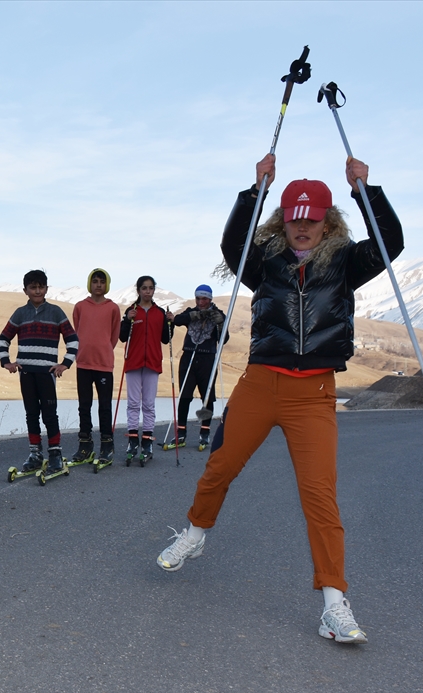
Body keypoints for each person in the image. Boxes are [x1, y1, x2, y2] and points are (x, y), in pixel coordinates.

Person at [157, 154, 404, 645]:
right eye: (295, 218)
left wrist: (366, 191)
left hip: (313, 392)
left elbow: (389, 242)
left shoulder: (346, 262)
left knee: (320, 496)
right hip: (261, 383)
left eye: (312, 219)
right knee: (221, 465)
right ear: (283, 219)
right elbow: (231, 244)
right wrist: (255, 192)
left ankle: (334, 605)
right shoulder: (265, 263)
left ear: (328, 220)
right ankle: (195, 533)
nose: (303, 227)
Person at [0, 269, 79, 479]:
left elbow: (73, 340)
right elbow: (2, 339)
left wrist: (64, 364)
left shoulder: (56, 312)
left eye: (40, 287)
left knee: (50, 414)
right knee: (31, 413)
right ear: (25, 290)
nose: (37, 290)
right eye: (32, 287)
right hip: (26, 373)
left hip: (47, 374)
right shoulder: (20, 313)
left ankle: (55, 454)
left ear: (46, 288)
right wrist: (6, 362)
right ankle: (35, 453)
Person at [166, 284, 228, 451]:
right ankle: (181, 433)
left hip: (207, 358)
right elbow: (177, 320)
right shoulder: (190, 311)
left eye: (204, 299)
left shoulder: (218, 314)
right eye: (198, 298)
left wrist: (220, 323)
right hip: (189, 357)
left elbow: (225, 338)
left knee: (207, 398)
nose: (201, 302)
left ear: (210, 299)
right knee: (185, 396)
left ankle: (204, 433)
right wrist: (195, 315)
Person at [68, 269, 121, 465]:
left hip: (104, 364)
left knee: (105, 406)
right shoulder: (80, 306)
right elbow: (77, 329)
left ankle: (107, 445)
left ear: (106, 284)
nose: (98, 285)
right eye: (95, 281)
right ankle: (85, 445)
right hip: (83, 362)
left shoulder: (113, 308)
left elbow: (114, 335)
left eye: (101, 281)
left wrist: (104, 349)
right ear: (89, 283)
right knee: (84, 405)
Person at [119, 276, 169, 463]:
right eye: (144, 288)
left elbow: (165, 339)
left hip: (153, 363)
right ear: (138, 290)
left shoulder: (160, 312)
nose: (147, 291)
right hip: (133, 361)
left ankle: (146, 441)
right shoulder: (131, 311)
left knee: (148, 404)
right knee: (133, 403)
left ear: (154, 290)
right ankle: (133, 440)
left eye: (150, 288)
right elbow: (122, 337)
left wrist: (169, 322)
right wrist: (126, 320)